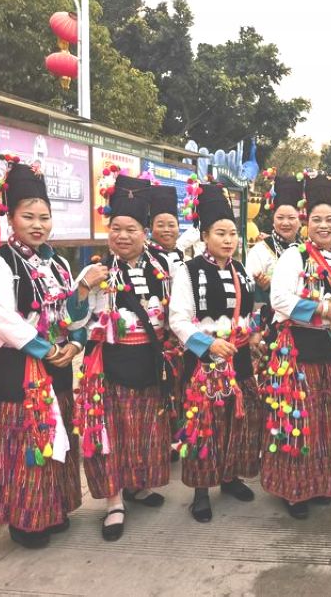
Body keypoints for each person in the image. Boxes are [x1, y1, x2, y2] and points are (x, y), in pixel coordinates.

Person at [0, 161, 107, 548]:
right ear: (10, 218)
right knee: (26, 443)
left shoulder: (58, 263)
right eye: (28, 217)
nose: (37, 225)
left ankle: (54, 509)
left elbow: (69, 313)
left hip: (58, 364)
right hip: (18, 368)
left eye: (44, 217)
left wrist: (76, 342)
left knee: (58, 435)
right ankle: (26, 521)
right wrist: (48, 348)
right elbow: (3, 319)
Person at [75, 173, 173, 541]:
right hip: (109, 366)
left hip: (149, 361)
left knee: (145, 431)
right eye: (116, 228)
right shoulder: (95, 271)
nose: (122, 236)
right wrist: (83, 288)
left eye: (131, 229)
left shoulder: (164, 268)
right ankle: (114, 502)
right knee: (110, 435)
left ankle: (137, 486)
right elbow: (74, 321)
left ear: (145, 233)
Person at [263, 174, 331, 520]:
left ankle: (319, 483)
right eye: (316, 219)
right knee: (300, 420)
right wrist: (321, 308)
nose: (323, 225)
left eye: (330, 219)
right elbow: (279, 299)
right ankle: (294, 491)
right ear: (307, 223)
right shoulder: (294, 255)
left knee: (326, 423)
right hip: (298, 354)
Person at [169, 182, 262, 522]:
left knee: (238, 421)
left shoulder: (241, 271)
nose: (228, 240)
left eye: (232, 233)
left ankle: (230, 477)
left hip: (239, 358)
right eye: (220, 233)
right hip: (204, 362)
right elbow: (177, 319)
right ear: (204, 235)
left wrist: (253, 334)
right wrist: (207, 344)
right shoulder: (188, 271)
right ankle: (201, 490)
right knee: (205, 424)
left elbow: (249, 313)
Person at [146, 184, 186, 462]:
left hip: (179, 334)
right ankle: (164, 441)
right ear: (150, 228)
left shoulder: (182, 255)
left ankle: (177, 437)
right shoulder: (148, 257)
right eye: (160, 224)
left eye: (171, 224)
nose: (167, 230)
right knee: (162, 388)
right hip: (159, 334)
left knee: (178, 387)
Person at [245, 175, 303, 304]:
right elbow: (248, 289)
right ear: (273, 219)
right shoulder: (260, 251)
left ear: (300, 220)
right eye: (280, 218)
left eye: (291, 218)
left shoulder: (307, 251)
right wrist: (263, 286)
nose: (285, 223)